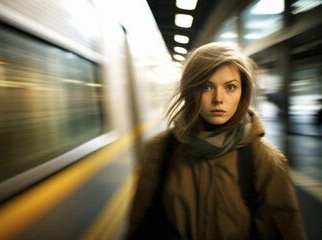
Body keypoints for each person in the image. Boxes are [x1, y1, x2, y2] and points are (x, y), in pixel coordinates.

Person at [126, 42, 306, 240]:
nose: (218, 98)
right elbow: (140, 225)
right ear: (190, 90)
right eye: (206, 86)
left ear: (243, 93)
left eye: (230, 87)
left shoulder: (265, 159)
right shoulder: (160, 149)